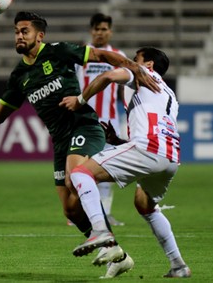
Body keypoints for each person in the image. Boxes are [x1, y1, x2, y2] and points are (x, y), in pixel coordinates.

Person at [0, 12, 158, 278]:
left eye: (25, 31)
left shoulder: (59, 52)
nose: (19, 35)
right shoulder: (19, 75)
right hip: (60, 139)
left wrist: (134, 67)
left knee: (74, 177)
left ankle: (103, 234)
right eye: (17, 31)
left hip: (84, 125)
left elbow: (102, 56)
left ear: (39, 35)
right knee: (70, 208)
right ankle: (117, 254)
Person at [59, 47, 191, 278]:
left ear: (148, 65)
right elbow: (156, 125)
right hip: (170, 157)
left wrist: (80, 100)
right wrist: (117, 141)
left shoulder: (142, 73)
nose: (130, 62)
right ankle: (178, 265)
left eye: (135, 60)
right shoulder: (170, 95)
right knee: (145, 205)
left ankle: (100, 231)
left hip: (147, 148)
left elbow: (107, 76)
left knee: (80, 174)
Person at [75, 12, 126, 226]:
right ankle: (80, 214)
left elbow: (123, 90)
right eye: (96, 29)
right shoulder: (80, 54)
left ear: (110, 32)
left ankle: (105, 213)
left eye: (104, 29)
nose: (100, 33)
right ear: (91, 31)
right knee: (80, 168)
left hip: (111, 121)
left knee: (108, 169)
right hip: (84, 121)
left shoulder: (117, 54)